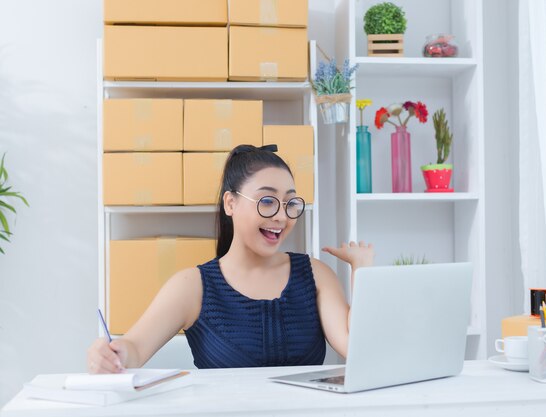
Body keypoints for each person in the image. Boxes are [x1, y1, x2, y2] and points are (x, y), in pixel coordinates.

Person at [87, 144, 374, 373]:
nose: (281, 216)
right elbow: (135, 349)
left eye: (290, 203)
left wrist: (362, 271)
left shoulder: (316, 274)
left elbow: (358, 349)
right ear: (230, 203)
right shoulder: (193, 285)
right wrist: (111, 356)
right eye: (267, 201)